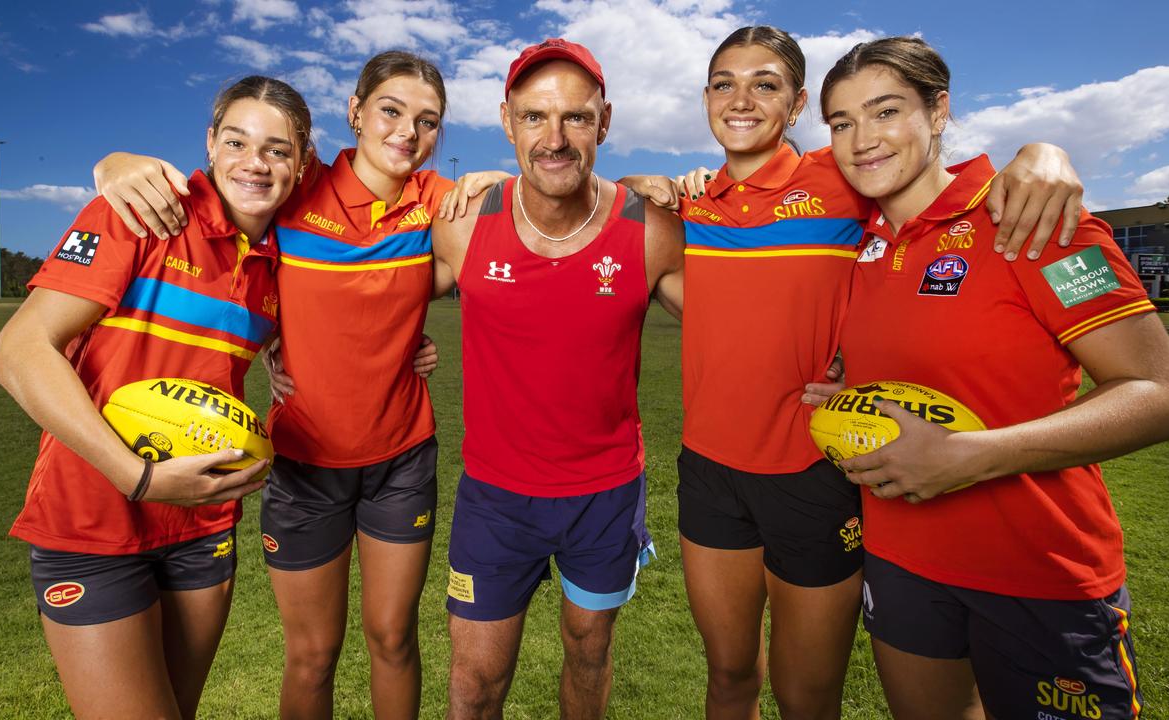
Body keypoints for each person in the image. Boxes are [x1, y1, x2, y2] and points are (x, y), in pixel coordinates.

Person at [621, 26, 1087, 720]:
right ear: (706, 97)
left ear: (798, 101)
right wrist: (646, 185)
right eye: (725, 83)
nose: (741, 98)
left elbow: (937, 196)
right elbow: (691, 287)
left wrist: (1043, 153)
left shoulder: (843, 179)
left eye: (766, 83)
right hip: (710, 473)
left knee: (807, 697)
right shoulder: (694, 202)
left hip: (816, 472)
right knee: (727, 675)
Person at [93, 52, 504, 720]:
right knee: (312, 654)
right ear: (355, 112)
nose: (408, 132)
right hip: (305, 467)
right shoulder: (297, 183)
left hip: (401, 459)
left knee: (393, 639)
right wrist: (112, 162)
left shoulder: (433, 198)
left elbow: (510, 208)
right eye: (391, 111)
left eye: (428, 122)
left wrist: (495, 179)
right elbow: (233, 202)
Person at [819, 36, 1169, 720]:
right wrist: (846, 398)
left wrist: (978, 456)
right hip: (902, 560)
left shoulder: (1031, 220)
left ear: (939, 113)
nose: (861, 140)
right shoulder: (860, 247)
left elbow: (1166, 397)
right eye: (841, 122)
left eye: (885, 112)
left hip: (1041, 572)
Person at [0, 75, 310, 719]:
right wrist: (137, 478)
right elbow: (17, 353)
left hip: (203, 522)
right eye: (237, 141)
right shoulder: (140, 210)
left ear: (302, 165)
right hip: (93, 519)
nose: (255, 162)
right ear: (210, 144)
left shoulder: (282, 262)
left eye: (278, 149)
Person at [429, 39, 684, 720]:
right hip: (494, 497)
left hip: (603, 495)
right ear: (508, 122)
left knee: (589, 652)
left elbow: (742, 322)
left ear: (604, 122)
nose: (555, 138)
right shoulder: (462, 223)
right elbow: (355, 292)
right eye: (535, 117)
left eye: (575, 117)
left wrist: (830, 357)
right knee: (475, 681)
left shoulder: (652, 230)